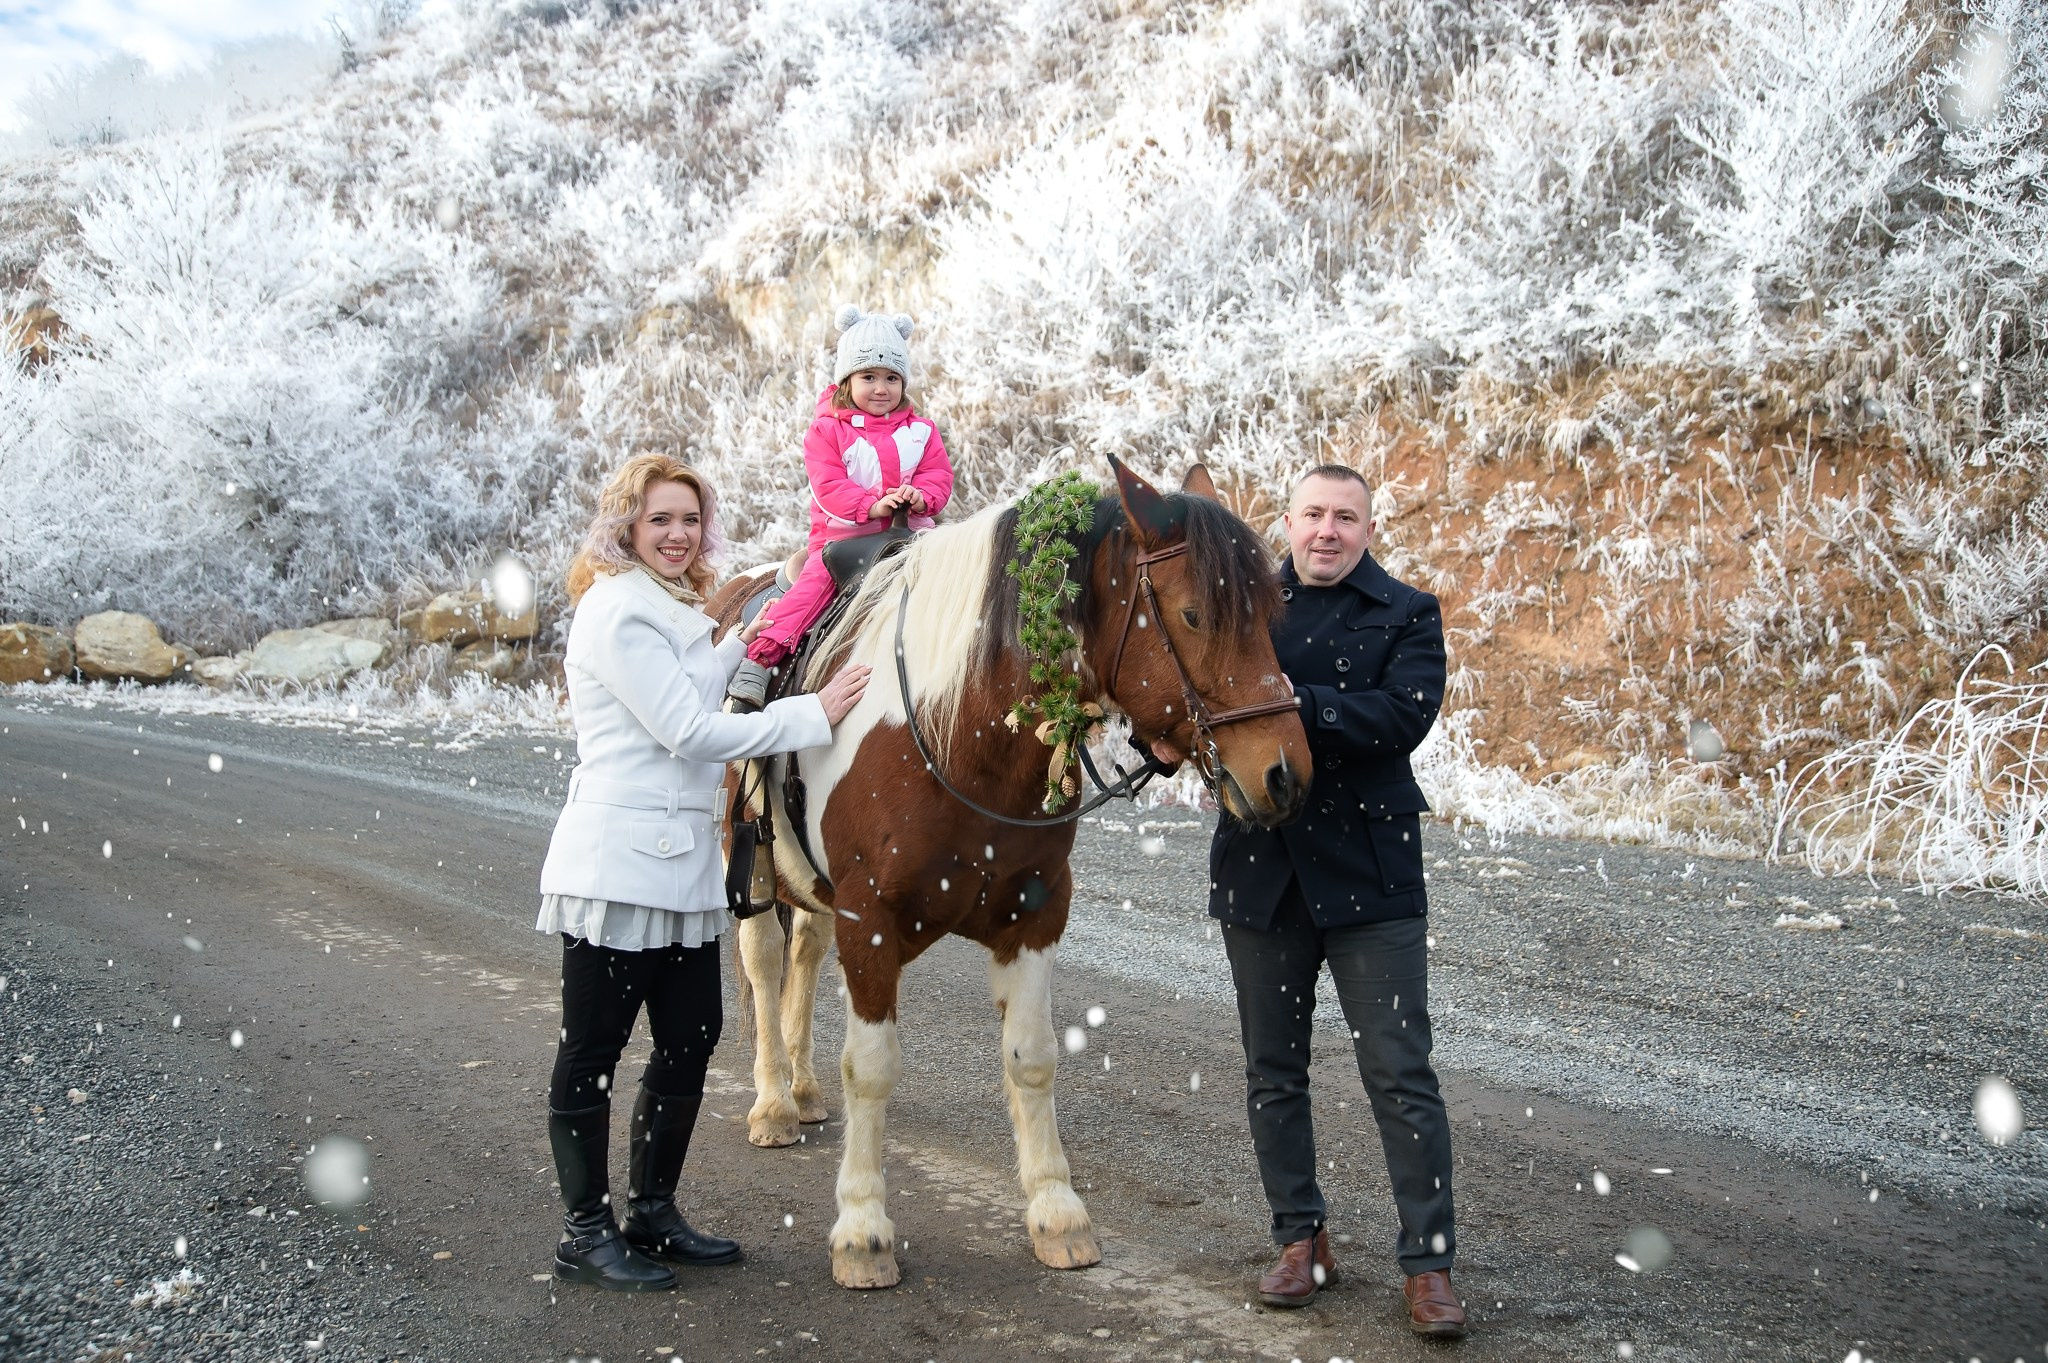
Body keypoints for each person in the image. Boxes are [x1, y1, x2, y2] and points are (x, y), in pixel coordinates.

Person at [537, 453, 872, 1292]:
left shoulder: (673, 607)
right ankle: (585, 1230)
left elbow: (722, 666)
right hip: (616, 868)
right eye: (660, 520)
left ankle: (651, 1212)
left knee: (689, 1039)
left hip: (682, 869)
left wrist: (800, 592)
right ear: (627, 527)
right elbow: (690, 729)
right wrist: (811, 713)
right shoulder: (616, 611)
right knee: (594, 1050)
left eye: (689, 519)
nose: (679, 534)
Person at [1207, 463, 1465, 1337]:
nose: (1327, 530)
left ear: (1367, 528)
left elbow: (1400, 717)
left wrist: (1286, 703)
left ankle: (1429, 1265)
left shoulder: (1408, 611)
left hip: (1371, 875)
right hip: (1261, 867)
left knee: (1400, 1074)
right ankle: (1299, 1239)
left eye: (1345, 517)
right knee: (1272, 1072)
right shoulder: (1241, 607)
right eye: (1313, 513)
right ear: (1287, 520)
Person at [726, 304, 954, 709]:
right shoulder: (827, 431)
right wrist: (873, 506)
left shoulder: (922, 431)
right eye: (869, 377)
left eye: (891, 378)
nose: (881, 388)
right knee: (811, 591)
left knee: (956, 582)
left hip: (913, 537)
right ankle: (759, 662)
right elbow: (828, 484)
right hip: (845, 541)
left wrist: (921, 496)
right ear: (847, 379)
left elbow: (938, 473)